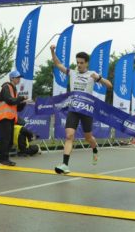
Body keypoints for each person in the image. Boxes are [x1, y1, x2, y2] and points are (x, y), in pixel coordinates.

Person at [50, 44, 112, 174]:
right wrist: (52, 51)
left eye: (81, 63)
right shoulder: (72, 72)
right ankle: (65, 165)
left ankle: (95, 149)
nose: (78, 65)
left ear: (87, 63)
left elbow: (109, 85)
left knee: (88, 137)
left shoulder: (92, 74)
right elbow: (57, 64)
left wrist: (99, 79)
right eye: (77, 62)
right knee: (69, 135)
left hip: (86, 110)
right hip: (73, 109)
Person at [0, 70, 27, 166]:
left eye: (19, 78)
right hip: (4, 117)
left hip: (10, 118)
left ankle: (5, 158)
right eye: (17, 78)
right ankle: (3, 159)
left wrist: (23, 103)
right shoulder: (6, 87)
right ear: (12, 78)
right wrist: (21, 98)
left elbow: (16, 107)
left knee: (9, 140)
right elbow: (10, 101)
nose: (19, 79)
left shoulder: (14, 90)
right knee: (5, 139)